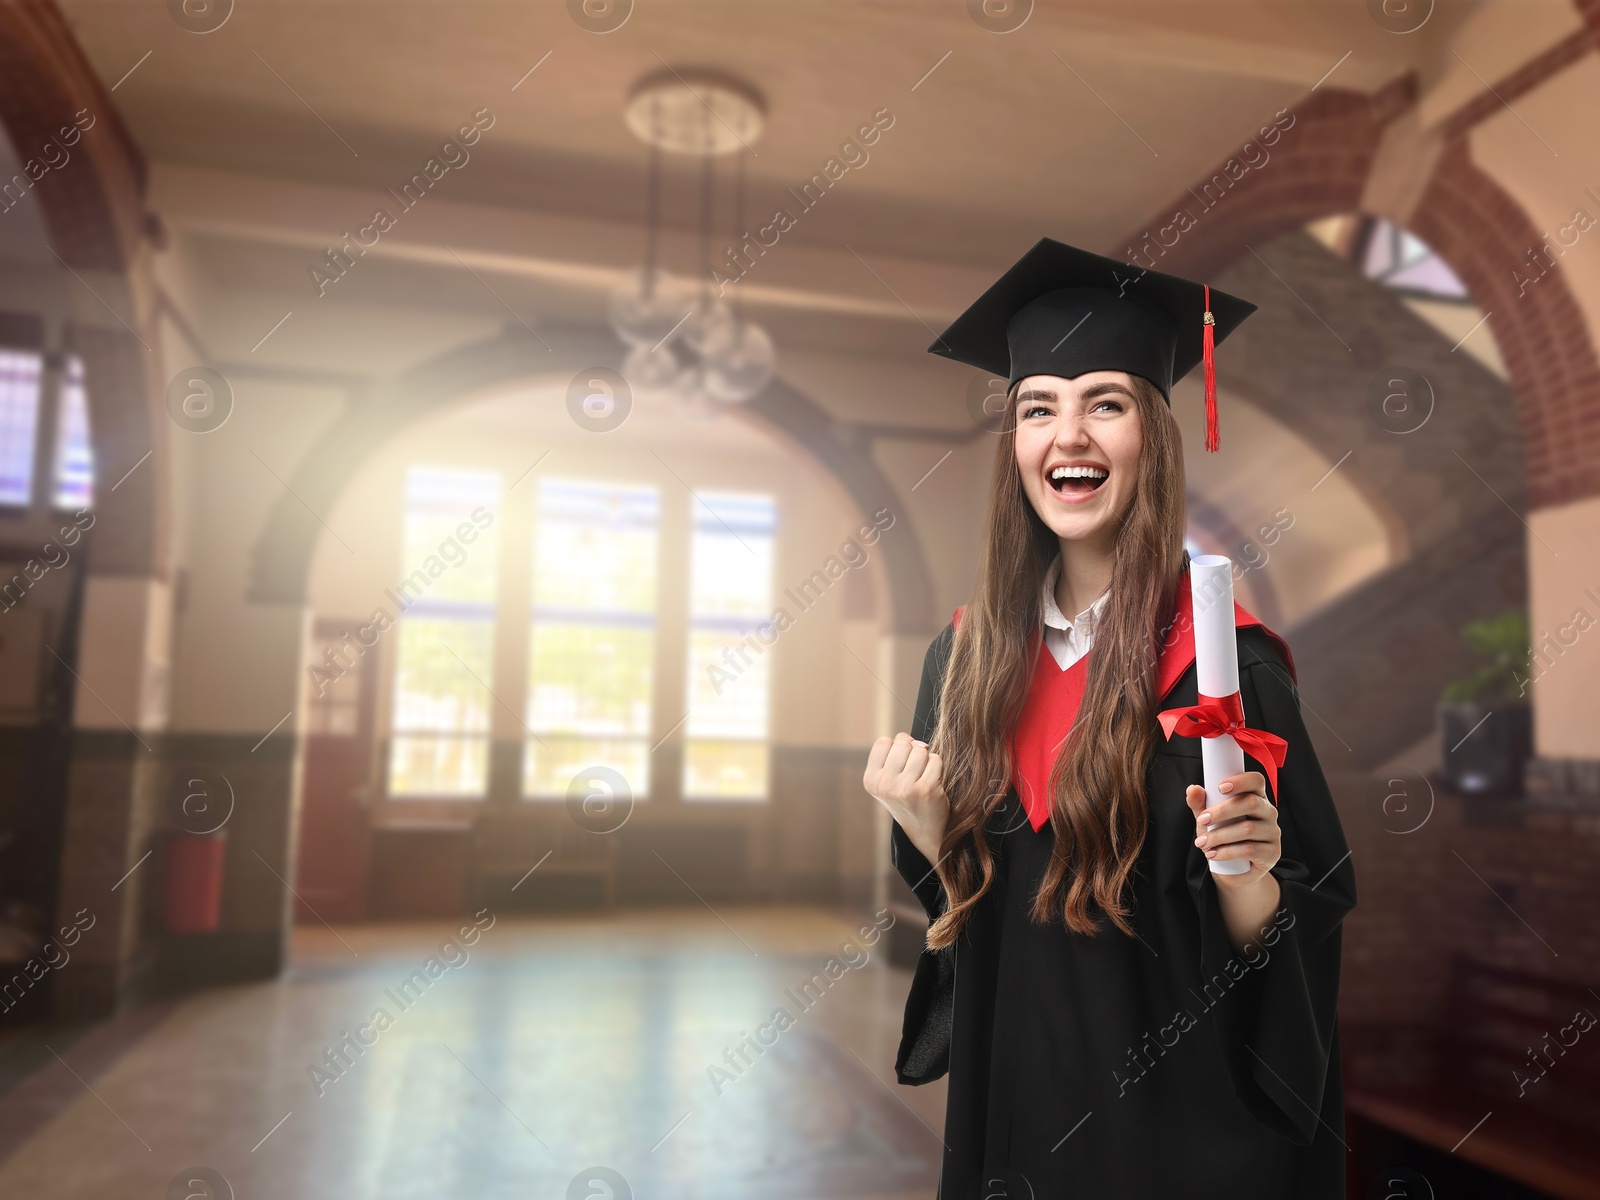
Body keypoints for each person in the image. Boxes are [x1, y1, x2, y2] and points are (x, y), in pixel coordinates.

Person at [862, 238, 1357, 1199]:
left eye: (1107, 403)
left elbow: (1301, 923)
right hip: (1018, 1106)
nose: (1068, 436)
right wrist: (927, 836)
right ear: (1014, 447)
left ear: (1155, 437)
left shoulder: (1232, 669)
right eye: (1037, 407)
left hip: (1184, 1125)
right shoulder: (962, 663)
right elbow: (974, 911)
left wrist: (1250, 880)